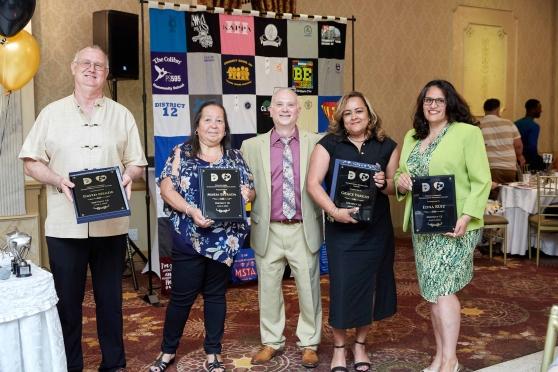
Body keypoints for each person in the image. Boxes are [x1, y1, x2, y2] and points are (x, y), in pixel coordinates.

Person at [19, 45, 147, 372]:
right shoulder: (51, 113)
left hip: (110, 226)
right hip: (65, 227)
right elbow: (31, 162)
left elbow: (137, 164)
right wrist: (58, 180)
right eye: (86, 64)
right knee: (68, 304)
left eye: (100, 66)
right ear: (73, 68)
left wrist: (130, 175)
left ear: (106, 73)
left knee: (110, 302)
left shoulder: (122, 115)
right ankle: (69, 365)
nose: (92, 69)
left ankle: (114, 364)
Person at [148, 101, 255, 372]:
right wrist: (190, 209)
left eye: (219, 120)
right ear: (197, 126)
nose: (213, 125)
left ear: (225, 127)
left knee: (216, 296)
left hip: (224, 241)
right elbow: (166, 189)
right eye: (208, 120)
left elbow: (251, 190)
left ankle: (213, 353)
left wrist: (246, 195)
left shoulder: (235, 157)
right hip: (190, 238)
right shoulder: (180, 153)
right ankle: (167, 350)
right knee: (182, 299)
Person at [395, 80, 491, 372]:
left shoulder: (468, 133)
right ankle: (441, 356)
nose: (432, 105)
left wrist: (466, 217)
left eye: (438, 100)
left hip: (455, 226)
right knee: (433, 290)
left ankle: (449, 360)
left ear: (450, 103)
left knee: (445, 287)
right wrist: (401, 181)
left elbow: (482, 179)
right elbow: (402, 171)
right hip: (424, 226)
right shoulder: (413, 136)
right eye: (427, 100)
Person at [306, 91, 399, 372]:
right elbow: (312, 184)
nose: (354, 116)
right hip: (342, 231)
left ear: (369, 115)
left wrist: (384, 182)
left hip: (376, 230)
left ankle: (360, 345)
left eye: (359, 111)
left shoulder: (387, 146)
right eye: (348, 112)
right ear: (341, 118)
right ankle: (338, 349)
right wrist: (334, 212)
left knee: (370, 288)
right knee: (343, 288)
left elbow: (394, 188)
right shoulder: (329, 144)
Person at [240, 88, 323, 368]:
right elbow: (246, 186)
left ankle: (309, 342)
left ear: (299, 110)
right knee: (269, 288)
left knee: (309, 288)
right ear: (270, 110)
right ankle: (271, 341)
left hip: (303, 227)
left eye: (291, 105)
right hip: (269, 228)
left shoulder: (317, 142)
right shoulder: (251, 147)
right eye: (279, 105)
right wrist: (244, 194)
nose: (285, 109)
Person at [479, 98, 524, 199]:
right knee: (508, 198)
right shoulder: (509, 123)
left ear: (484, 110)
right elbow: (518, 145)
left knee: (492, 200)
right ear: (498, 109)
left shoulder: (478, 125)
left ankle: (495, 215)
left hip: (489, 168)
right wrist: (520, 156)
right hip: (509, 168)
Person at [515, 99, 544, 171]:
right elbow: (532, 147)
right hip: (529, 161)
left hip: (516, 159)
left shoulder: (515, 123)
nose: (541, 111)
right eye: (539, 108)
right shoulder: (534, 126)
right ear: (533, 110)